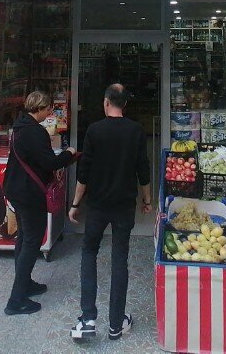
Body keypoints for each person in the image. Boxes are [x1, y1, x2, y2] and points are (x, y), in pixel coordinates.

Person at [68, 83, 152, 341]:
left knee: (89, 252)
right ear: (124, 104)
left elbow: (84, 172)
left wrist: (75, 203)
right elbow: (143, 168)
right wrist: (147, 199)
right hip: (124, 206)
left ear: (106, 102)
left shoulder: (94, 130)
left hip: (97, 205)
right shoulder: (136, 130)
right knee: (119, 259)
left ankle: (87, 319)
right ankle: (116, 324)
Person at [3, 90, 75, 315]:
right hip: (29, 192)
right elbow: (49, 163)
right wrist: (69, 154)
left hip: (16, 188)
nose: (50, 113)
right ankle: (16, 300)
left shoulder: (19, 127)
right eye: (48, 109)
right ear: (40, 108)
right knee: (32, 241)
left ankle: (25, 283)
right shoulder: (35, 132)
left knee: (24, 237)